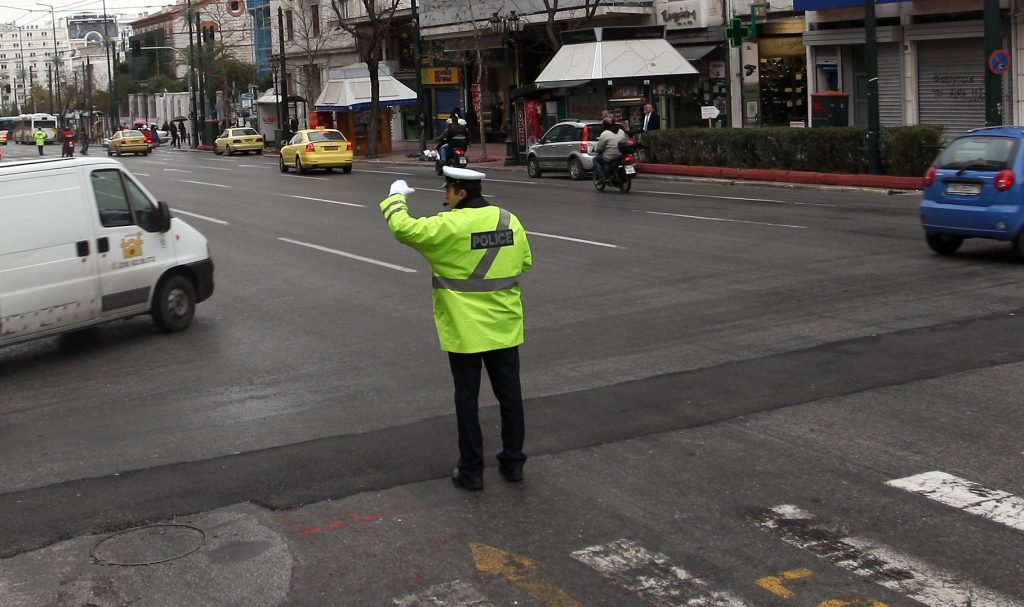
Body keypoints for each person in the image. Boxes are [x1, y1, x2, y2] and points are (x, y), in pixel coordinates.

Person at [379, 167, 533, 491]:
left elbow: (402, 228)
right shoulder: (509, 220)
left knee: (467, 400)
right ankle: (514, 462)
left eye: (447, 190)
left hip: (465, 331)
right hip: (504, 325)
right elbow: (524, 263)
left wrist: (395, 196)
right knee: (510, 396)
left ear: (461, 193)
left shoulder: (448, 226)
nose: (444, 196)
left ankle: (472, 470)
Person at [592, 117, 626, 183]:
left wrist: (595, 149)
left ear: (604, 125)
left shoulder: (605, 134)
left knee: (595, 159)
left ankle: (602, 177)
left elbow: (599, 148)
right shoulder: (621, 131)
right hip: (622, 154)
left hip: (610, 156)